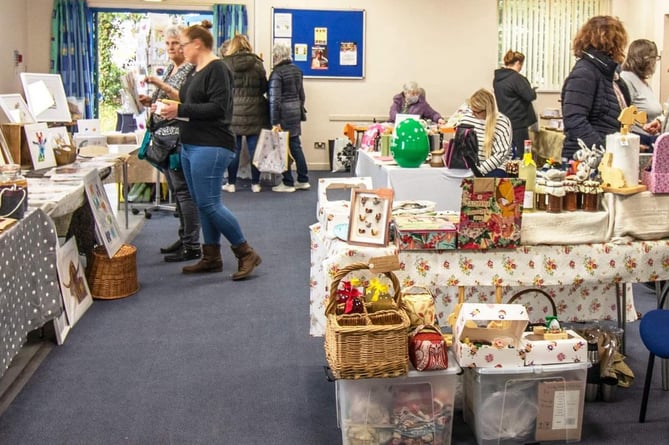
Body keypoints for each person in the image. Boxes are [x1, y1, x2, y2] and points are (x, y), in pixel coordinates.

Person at [159, 20, 261, 279]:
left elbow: (219, 109)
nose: (180, 50)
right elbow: (189, 102)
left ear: (197, 44)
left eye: (182, 45)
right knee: (204, 204)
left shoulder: (218, 69)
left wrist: (179, 110)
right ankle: (211, 256)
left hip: (212, 145)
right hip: (192, 144)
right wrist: (167, 105)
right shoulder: (195, 70)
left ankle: (246, 252)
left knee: (210, 204)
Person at [138, 25, 201, 263]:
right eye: (167, 44)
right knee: (177, 192)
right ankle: (184, 237)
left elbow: (184, 100)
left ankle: (192, 244)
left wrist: (160, 86)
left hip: (177, 137)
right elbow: (163, 100)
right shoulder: (171, 69)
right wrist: (149, 101)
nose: (171, 48)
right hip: (162, 136)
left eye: (175, 43)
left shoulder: (190, 69)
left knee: (184, 192)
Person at [561, 15, 630, 160]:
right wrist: (605, 151)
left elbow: (616, 123)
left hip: (607, 157)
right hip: (585, 161)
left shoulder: (613, 77)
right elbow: (575, 120)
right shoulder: (584, 73)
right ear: (612, 43)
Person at [221, 34, 270, 193]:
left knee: (233, 151)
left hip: (233, 111)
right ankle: (255, 183)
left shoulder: (225, 64)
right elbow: (264, 87)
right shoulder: (257, 63)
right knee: (255, 150)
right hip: (256, 112)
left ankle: (232, 183)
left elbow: (222, 89)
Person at [268, 43, 310, 193]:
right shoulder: (297, 70)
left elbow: (274, 100)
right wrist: (297, 109)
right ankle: (303, 179)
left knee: (282, 148)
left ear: (276, 56)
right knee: (296, 146)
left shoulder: (277, 73)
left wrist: (274, 121)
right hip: (295, 113)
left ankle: (287, 182)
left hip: (282, 115)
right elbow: (301, 95)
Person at [456, 88, 513, 177]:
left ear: (487, 110)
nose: (472, 114)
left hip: (494, 168)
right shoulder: (466, 118)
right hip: (469, 168)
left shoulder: (502, 122)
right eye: (472, 110)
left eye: (476, 112)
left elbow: (501, 154)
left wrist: (478, 171)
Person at [493, 50, 537, 156]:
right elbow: (530, 96)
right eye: (521, 64)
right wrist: (533, 90)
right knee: (523, 155)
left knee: (509, 153)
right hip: (519, 122)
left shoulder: (497, 79)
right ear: (518, 63)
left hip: (505, 121)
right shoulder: (516, 78)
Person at [620, 39, 663, 148]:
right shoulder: (626, 79)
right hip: (639, 141)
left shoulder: (642, 82)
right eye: (655, 58)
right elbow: (624, 114)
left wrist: (658, 122)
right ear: (645, 60)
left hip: (651, 139)